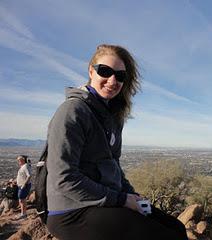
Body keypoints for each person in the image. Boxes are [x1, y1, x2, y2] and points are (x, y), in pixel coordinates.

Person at [46, 44, 187, 240]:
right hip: (71, 211)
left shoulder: (112, 117)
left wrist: (132, 195)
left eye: (120, 76)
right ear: (91, 71)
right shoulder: (73, 111)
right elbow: (64, 178)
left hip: (104, 203)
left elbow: (113, 166)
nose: (113, 80)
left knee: (177, 228)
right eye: (105, 71)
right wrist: (121, 199)